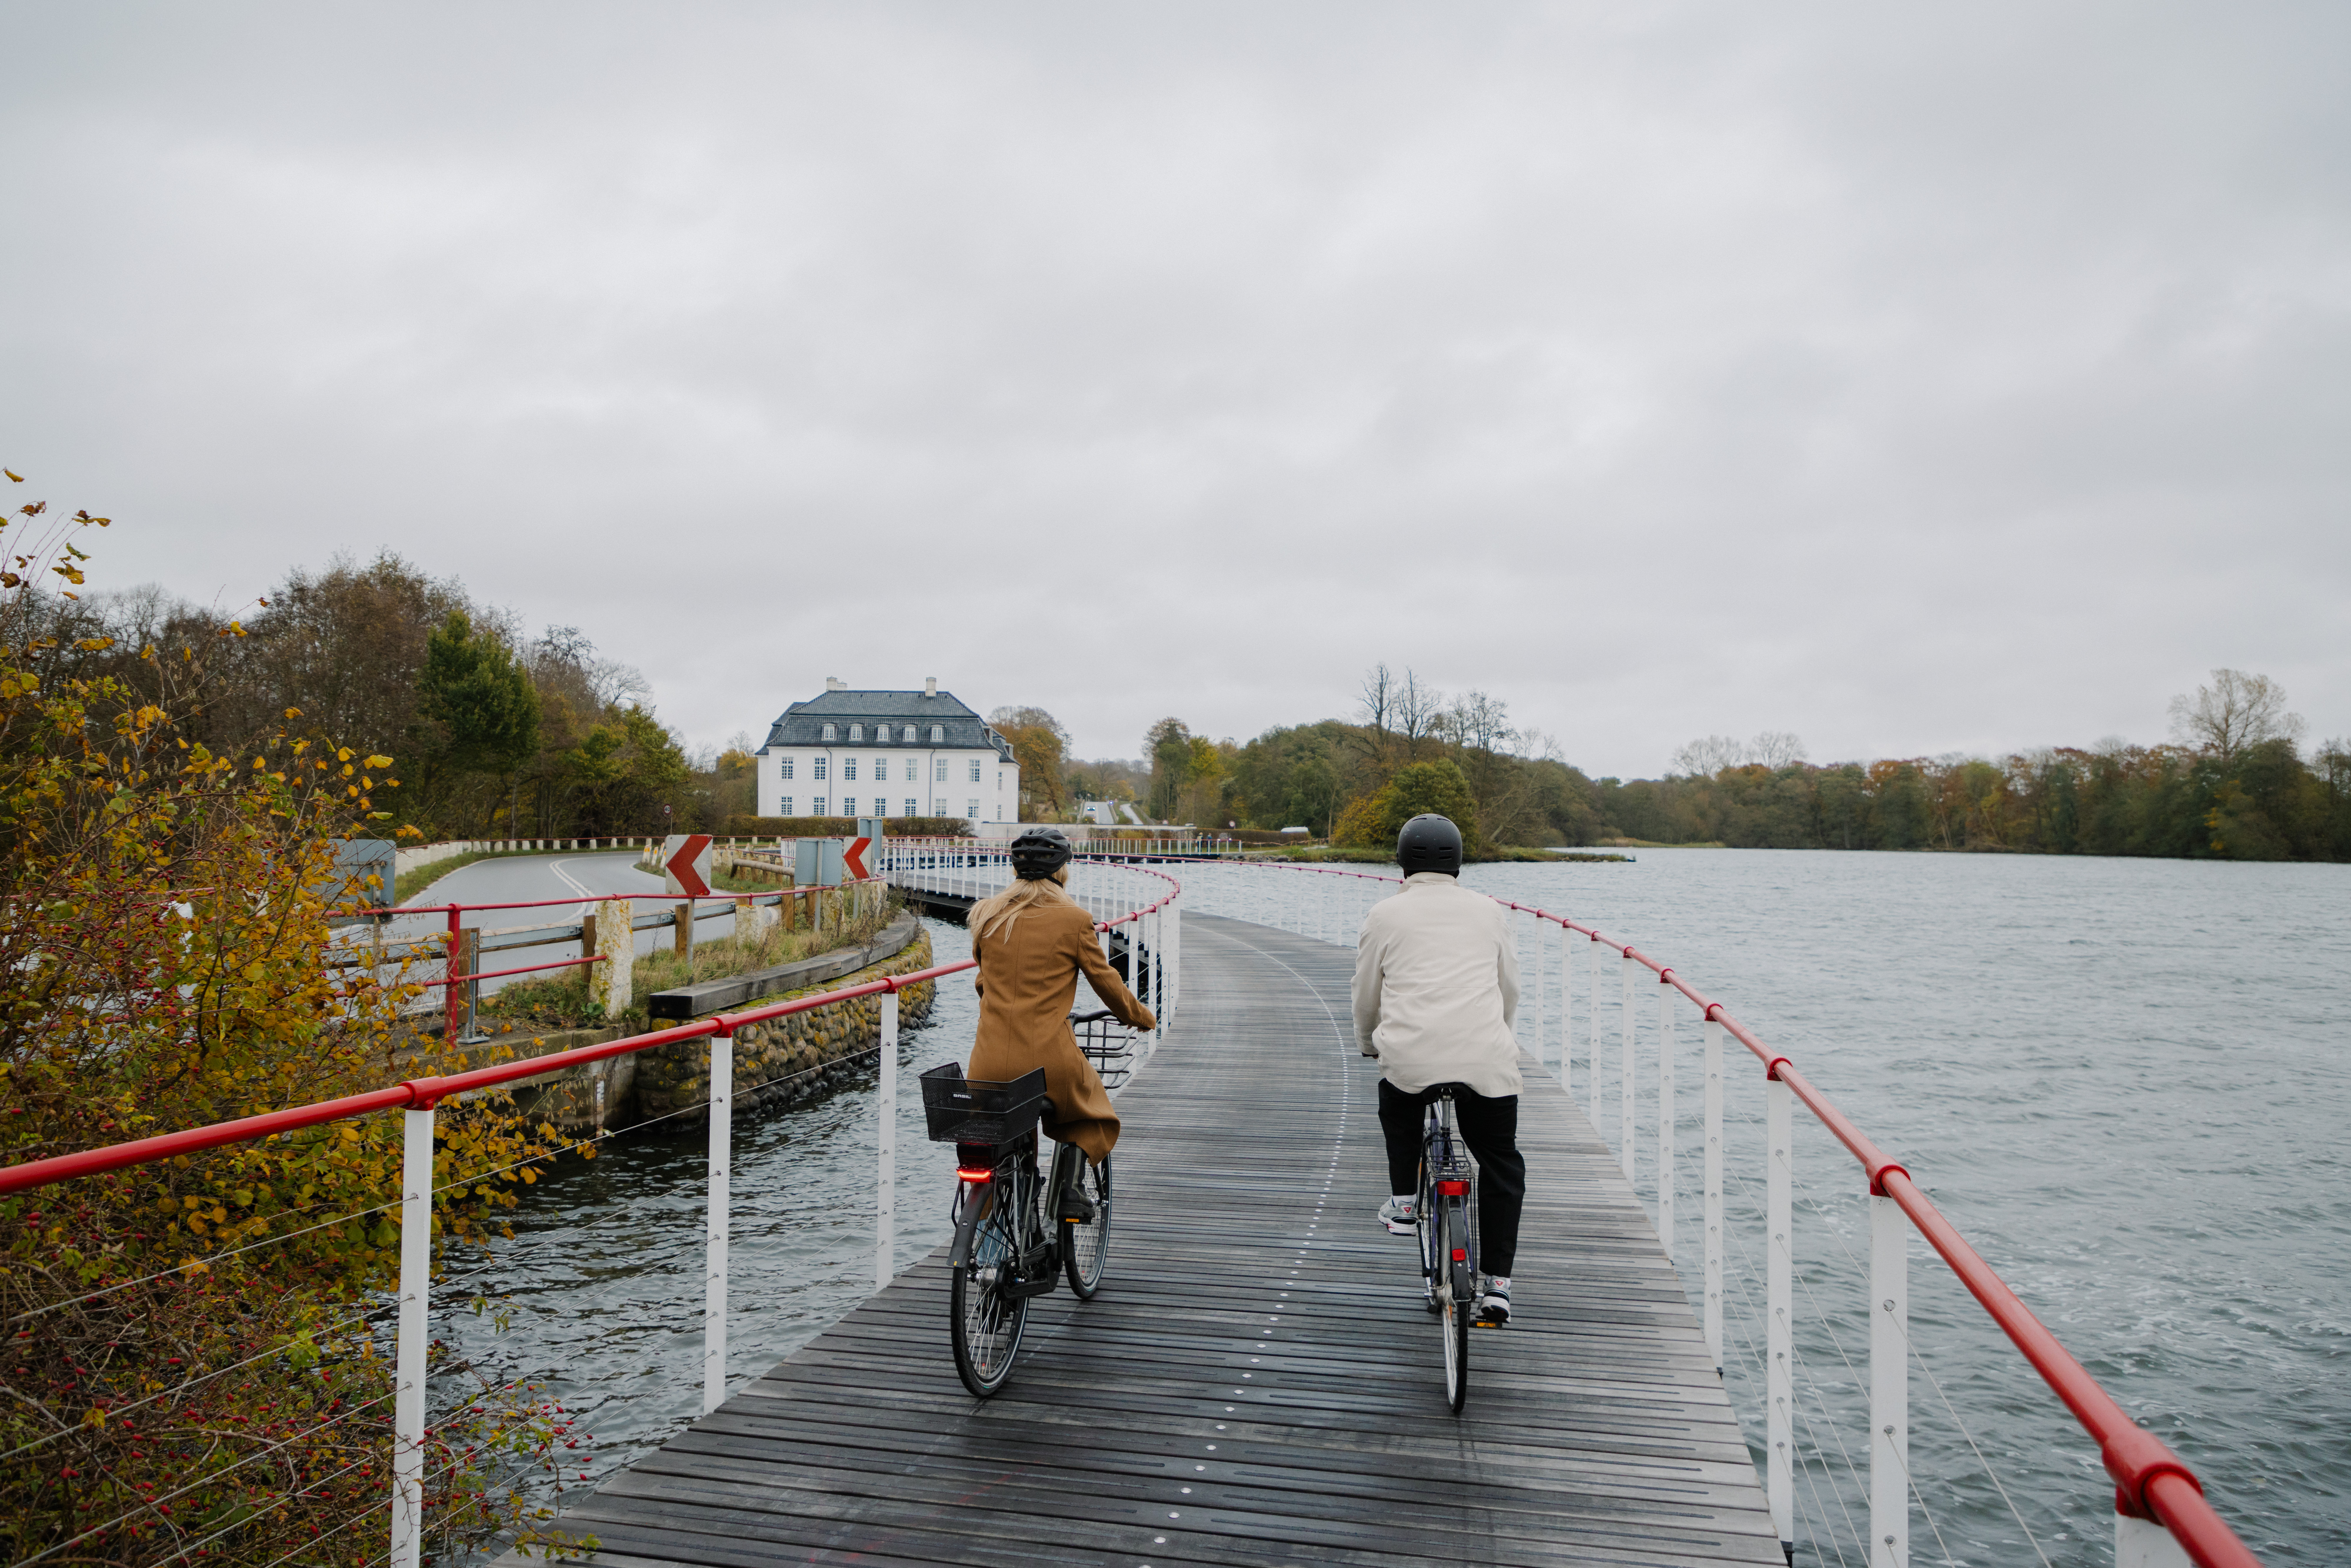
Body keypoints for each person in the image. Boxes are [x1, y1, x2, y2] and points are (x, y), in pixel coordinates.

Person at [1352, 813, 1526, 1325]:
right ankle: (1498, 1286)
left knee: (1398, 1103)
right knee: (1501, 1161)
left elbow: (1367, 994)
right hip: (1487, 1058)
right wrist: (1500, 1036)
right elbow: (1509, 987)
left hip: (1412, 1058)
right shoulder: (1490, 911)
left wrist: (1368, 1043)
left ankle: (1405, 1203)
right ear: (1459, 864)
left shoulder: (1384, 914)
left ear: (1402, 863)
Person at [964, 826, 1156, 1220]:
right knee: (1092, 1111)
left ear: (1015, 870)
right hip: (1047, 1063)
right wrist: (1140, 1017)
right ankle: (1069, 1189)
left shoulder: (986, 915)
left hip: (987, 1063)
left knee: (992, 1138)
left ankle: (984, 1235)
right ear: (1062, 870)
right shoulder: (1074, 920)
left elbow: (984, 983)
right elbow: (1105, 981)